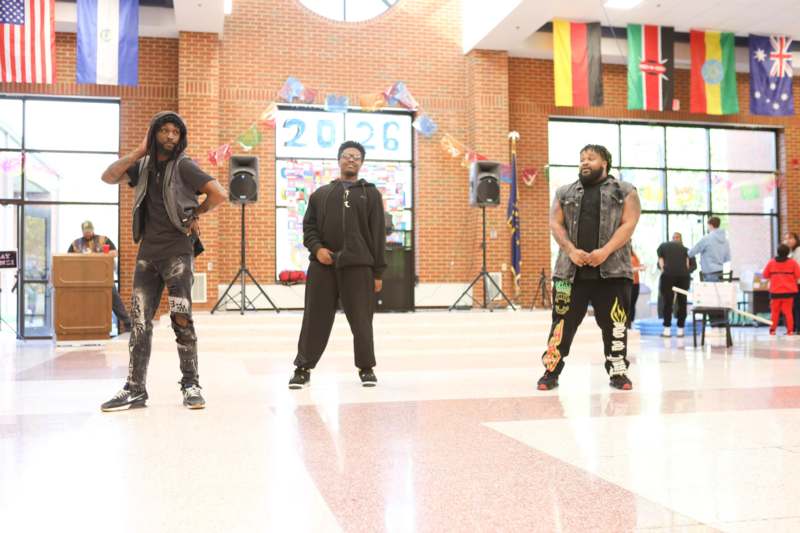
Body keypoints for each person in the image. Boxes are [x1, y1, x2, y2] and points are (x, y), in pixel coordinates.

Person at [98, 111, 227, 411]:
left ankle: (191, 384)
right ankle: (135, 389)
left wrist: (198, 213)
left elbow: (218, 193)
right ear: (153, 133)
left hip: (178, 254)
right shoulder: (142, 166)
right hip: (147, 257)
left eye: (176, 132)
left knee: (181, 318)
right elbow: (108, 176)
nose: (171, 136)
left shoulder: (184, 166)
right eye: (164, 130)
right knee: (140, 323)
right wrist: (139, 151)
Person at [538, 144, 641, 391]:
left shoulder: (625, 191)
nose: (585, 162)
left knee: (615, 326)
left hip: (614, 273)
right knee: (561, 325)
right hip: (568, 273)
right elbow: (555, 223)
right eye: (582, 158)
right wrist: (572, 251)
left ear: (604, 162)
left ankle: (618, 373)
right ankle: (550, 372)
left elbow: (629, 224)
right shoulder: (564, 192)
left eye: (591, 158)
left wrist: (604, 252)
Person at [288, 141, 387, 389]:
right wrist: (317, 249)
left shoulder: (371, 194)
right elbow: (309, 229)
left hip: (359, 267)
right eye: (346, 156)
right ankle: (303, 368)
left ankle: (366, 368)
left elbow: (377, 235)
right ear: (339, 160)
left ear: (361, 162)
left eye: (356, 156)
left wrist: (377, 272)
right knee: (315, 319)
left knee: (362, 320)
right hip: (324, 267)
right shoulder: (321, 194)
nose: (351, 160)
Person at [67, 220, 132, 332]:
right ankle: (86, 328)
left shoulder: (103, 239)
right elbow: (68, 259)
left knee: (114, 299)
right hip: (85, 280)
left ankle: (128, 323)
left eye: (90, 230)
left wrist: (100, 255)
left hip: (104, 277)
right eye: (86, 231)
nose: (88, 233)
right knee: (87, 303)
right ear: (82, 231)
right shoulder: (76, 244)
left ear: (93, 230)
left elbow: (115, 252)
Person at [657, 232, 691, 338]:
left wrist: (663, 269)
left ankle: (667, 330)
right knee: (682, 302)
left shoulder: (663, 246)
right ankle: (680, 330)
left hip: (668, 276)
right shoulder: (685, 249)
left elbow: (661, 260)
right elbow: (687, 264)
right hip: (683, 276)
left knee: (667, 302)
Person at [762, 244, 800, 336]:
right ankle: (790, 331)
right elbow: (798, 275)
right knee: (788, 312)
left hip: (775, 292)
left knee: (775, 312)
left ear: (777, 252)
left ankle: (772, 330)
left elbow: (765, 275)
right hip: (789, 292)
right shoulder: (793, 263)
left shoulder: (771, 262)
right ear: (788, 253)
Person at [688, 217, 731, 281]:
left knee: (709, 290)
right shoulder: (726, 240)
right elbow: (727, 258)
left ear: (710, 225)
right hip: (720, 272)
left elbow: (691, 253)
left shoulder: (707, 238)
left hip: (709, 272)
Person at [782, 232, 800, 333]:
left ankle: (798, 328)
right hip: (791, 284)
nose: (788, 240)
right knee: (793, 307)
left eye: (790, 238)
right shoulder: (790, 252)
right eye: (786, 239)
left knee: (797, 307)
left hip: (797, 283)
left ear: (796, 240)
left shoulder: (798, 251)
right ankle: (793, 328)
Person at [628, 249, 643, 328]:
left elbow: (637, 266)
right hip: (628, 283)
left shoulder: (634, 256)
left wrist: (641, 267)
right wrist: (638, 268)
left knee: (632, 304)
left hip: (636, 283)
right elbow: (627, 269)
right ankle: (627, 324)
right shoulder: (625, 256)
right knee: (628, 304)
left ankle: (630, 323)